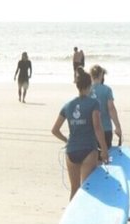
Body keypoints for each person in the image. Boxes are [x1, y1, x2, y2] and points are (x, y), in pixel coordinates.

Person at [49, 70, 109, 200]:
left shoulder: (68, 105)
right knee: (87, 190)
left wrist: (66, 140)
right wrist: (104, 150)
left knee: (74, 190)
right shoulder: (94, 103)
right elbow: (97, 128)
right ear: (90, 85)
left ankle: (71, 219)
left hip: (71, 151)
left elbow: (55, 130)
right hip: (88, 150)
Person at [89, 65, 124, 149]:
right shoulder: (107, 90)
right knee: (105, 155)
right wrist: (118, 127)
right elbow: (111, 109)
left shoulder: (86, 90)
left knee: (91, 158)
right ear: (101, 75)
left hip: (90, 130)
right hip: (105, 129)